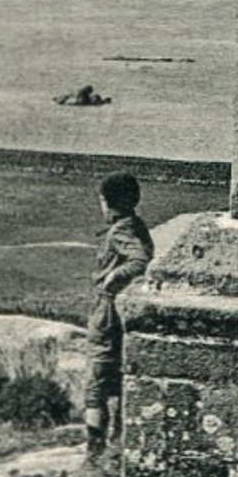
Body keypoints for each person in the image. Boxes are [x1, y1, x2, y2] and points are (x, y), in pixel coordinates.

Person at [86, 172, 153, 456]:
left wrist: (114, 277)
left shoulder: (119, 231)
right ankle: (116, 439)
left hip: (107, 309)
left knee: (97, 381)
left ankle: (95, 449)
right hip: (116, 309)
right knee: (117, 373)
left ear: (107, 203)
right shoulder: (135, 224)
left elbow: (140, 259)